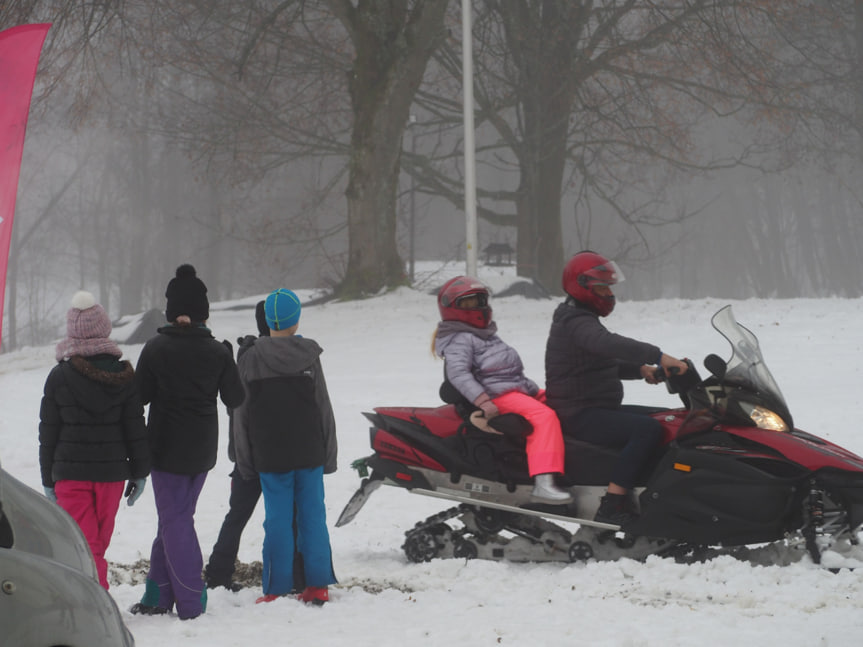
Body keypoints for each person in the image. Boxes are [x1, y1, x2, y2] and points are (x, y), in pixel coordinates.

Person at [130, 264, 245, 620]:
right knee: (175, 518)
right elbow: (235, 398)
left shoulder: (155, 348)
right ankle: (157, 596)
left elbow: (140, 397)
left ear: (170, 311)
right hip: (201, 451)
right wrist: (226, 359)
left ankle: (191, 600)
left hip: (164, 449)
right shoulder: (216, 351)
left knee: (175, 520)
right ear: (202, 313)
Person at [544, 250, 689, 525]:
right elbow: (608, 345)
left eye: (609, 288)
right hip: (578, 413)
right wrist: (658, 356)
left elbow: (598, 362)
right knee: (647, 429)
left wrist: (642, 371)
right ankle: (614, 502)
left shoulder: (579, 319)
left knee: (667, 418)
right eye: (601, 288)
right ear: (582, 287)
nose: (608, 294)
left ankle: (652, 487)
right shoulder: (575, 322)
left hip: (594, 407)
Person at [39, 290, 150, 590]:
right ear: (103, 328)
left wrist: (48, 477)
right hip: (111, 476)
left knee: (87, 546)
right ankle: (97, 603)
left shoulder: (59, 376)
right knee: (95, 545)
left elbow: (48, 432)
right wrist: (140, 471)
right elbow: (135, 427)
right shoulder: (125, 376)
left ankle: (92, 604)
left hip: (70, 476)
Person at [233, 288, 337, 606]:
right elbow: (323, 406)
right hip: (309, 453)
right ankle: (318, 585)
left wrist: (244, 460)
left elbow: (241, 413)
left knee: (277, 520)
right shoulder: (309, 355)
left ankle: (276, 588)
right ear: (296, 319)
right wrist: (329, 454)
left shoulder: (250, 358)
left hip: (270, 454)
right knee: (313, 518)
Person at [434, 276, 571, 503]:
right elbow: (458, 374)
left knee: (563, 401)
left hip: (517, 391)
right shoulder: (460, 338)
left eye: (480, 300)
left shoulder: (486, 335)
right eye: (468, 303)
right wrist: (483, 402)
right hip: (496, 396)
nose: (477, 307)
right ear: (452, 308)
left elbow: (507, 373)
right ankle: (543, 481)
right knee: (543, 416)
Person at [204, 301, 306, 593]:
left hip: (247, 453)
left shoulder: (246, 357)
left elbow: (235, 410)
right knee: (290, 518)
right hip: (279, 454)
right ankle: (296, 576)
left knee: (237, 515)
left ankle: (218, 572)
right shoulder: (288, 358)